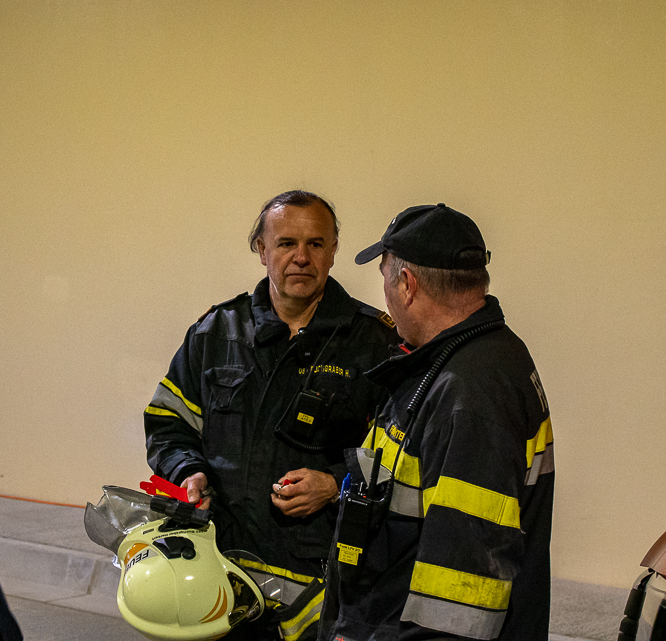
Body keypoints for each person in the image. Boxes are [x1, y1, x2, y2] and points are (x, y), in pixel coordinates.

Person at [144, 190, 399, 639]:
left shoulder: (374, 344)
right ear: (262, 250)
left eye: (315, 244)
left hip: (321, 588)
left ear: (333, 251)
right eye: (286, 243)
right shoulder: (215, 332)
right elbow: (168, 421)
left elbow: (402, 451)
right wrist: (188, 471)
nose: (301, 257)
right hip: (216, 574)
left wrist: (335, 484)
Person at [320, 203, 554, 641]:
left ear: (406, 284)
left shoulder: (470, 394)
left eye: (385, 279)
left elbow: (458, 602)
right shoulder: (470, 360)